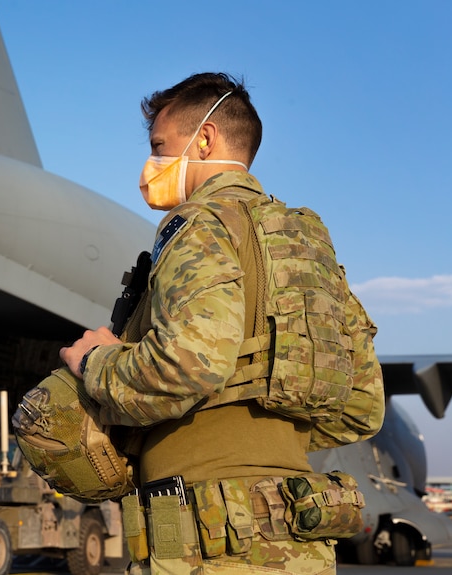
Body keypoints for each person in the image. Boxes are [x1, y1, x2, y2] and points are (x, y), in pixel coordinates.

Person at [59, 73, 384, 574]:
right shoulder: (307, 246)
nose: (152, 165)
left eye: (159, 146)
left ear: (204, 140)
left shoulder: (198, 224)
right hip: (299, 543)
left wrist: (95, 363)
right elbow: (362, 405)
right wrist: (266, 431)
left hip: (205, 542)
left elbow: (187, 365)